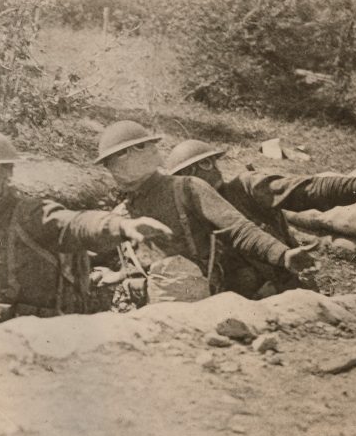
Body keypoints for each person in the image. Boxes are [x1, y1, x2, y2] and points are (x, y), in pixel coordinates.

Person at [0, 130, 173, 323]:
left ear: (0, 173)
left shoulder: (30, 213)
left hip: (48, 338)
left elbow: (75, 224)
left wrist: (121, 226)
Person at [163, 138, 356, 296]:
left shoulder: (247, 188)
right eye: (202, 166)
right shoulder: (188, 214)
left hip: (284, 286)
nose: (212, 169)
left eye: (210, 163)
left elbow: (307, 189)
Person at [94, 121, 318, 304]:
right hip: (146, 307)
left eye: (118, 157)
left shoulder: (187, 188)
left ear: (143, 152)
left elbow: (238, 229)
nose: (113, 168)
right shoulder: (123, 212)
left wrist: (282, 255)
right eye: (108, 163)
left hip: (197, 304)